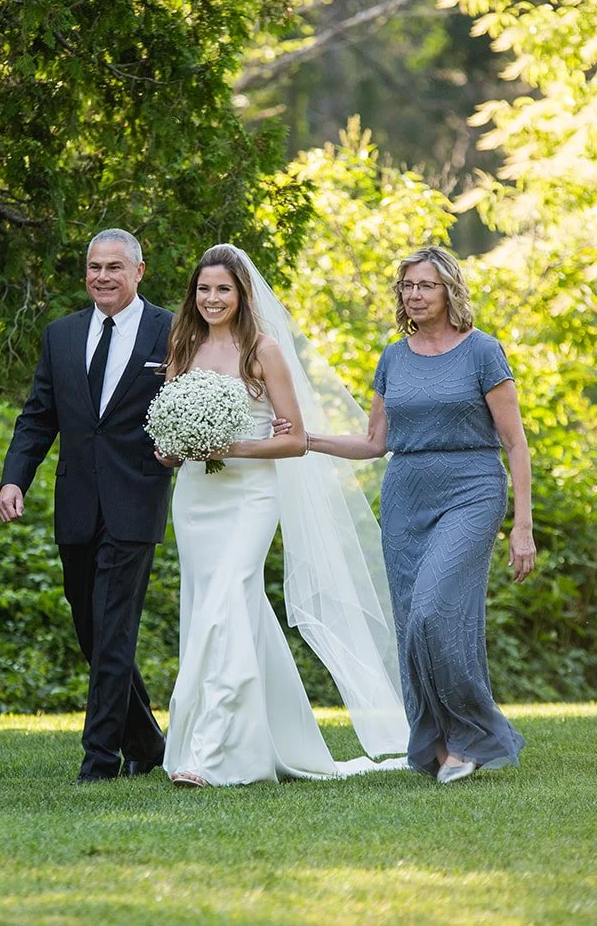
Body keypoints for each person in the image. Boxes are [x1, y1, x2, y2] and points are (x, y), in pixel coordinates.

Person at [158, 244, 409, 787]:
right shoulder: (183, 346)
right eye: (203, 289)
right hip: (196, 496)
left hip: (251, 496)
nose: (212, 298)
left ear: (242, 294)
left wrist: (231, 448)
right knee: (219, 607)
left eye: (223, 289)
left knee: (227, 598)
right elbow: (177, 435)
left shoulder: (263, 350)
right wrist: (174, 447)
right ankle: (270, 740)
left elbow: (294, 439)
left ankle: (209, 752)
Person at [308, 244, 535, 784]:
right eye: (407, 286)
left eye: (425, 285)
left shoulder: (482, 351)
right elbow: (375, 442)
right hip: (406, 496)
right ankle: (436, 743)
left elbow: (516, 442)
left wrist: (521, 526)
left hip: (471, 489)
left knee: (437, 611)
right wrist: (310, 440)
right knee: (412, 624)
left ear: (449, 290)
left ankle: (472, 736)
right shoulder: (394, 356)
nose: (414, 294)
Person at [0, 229, 175, 783]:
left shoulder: (171, 331)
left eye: (114, 267)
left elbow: (194, 398)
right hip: (75, 504)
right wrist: (14, 479)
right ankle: (147, 741)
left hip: (136, 501)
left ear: (139, 272)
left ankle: (100, 760)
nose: (102, 277)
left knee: (114, 629)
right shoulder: (61, 335)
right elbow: (38, 415)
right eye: (94, 267)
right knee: (92, 631)